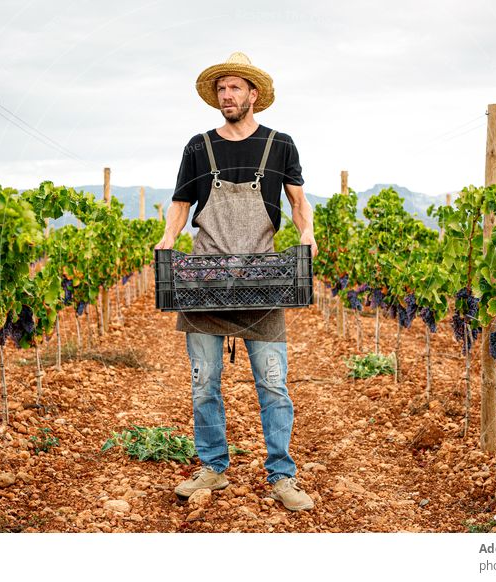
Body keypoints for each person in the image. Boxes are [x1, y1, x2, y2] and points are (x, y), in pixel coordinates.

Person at [154, 52, 318, 512]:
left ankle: (282, 476)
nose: (227, 96)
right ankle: (213, 467)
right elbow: (181, 204)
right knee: (204, 382)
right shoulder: (198, 146)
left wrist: (307, 233)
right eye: (221, 89)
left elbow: (298, 201)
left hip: (263, 280)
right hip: (204, 278)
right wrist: (168, 238)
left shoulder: (280, 145)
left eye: (235, 88)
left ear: (254, 95)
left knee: (273, 383)